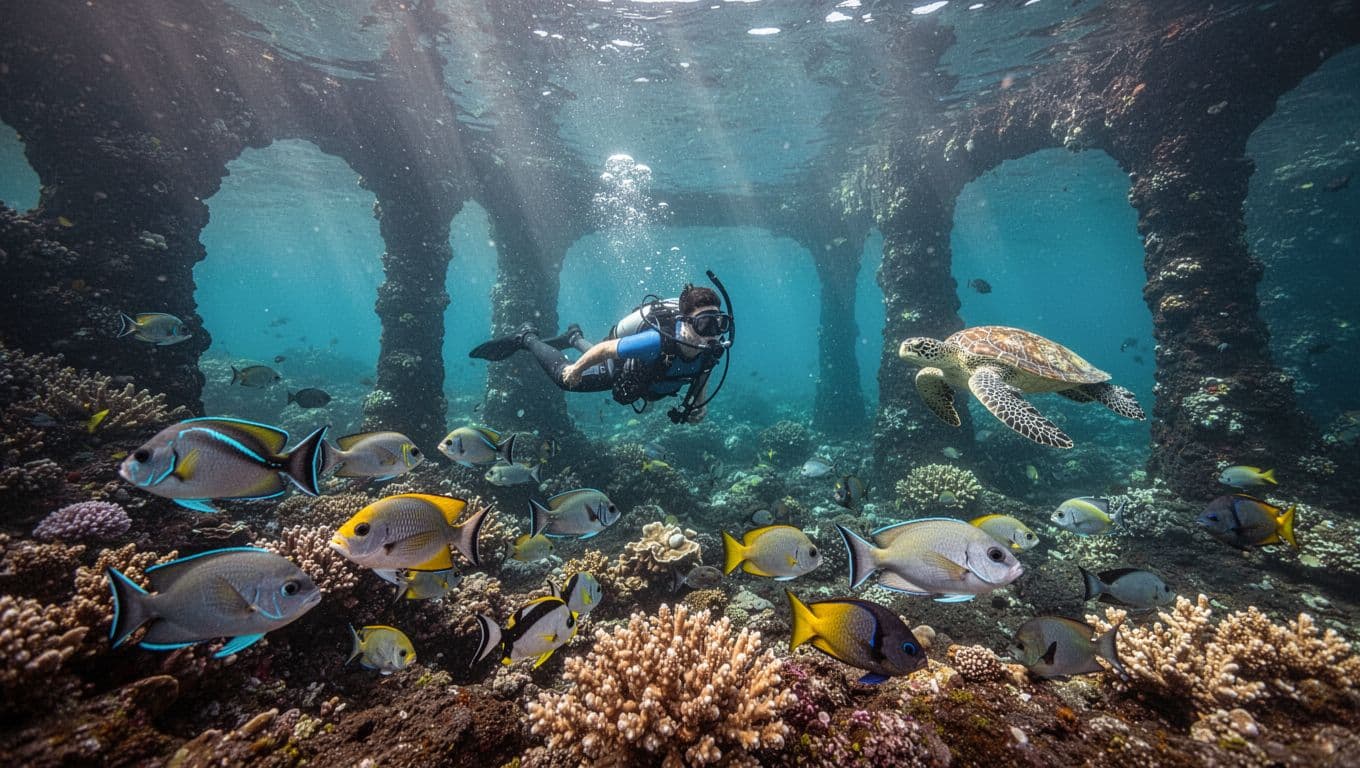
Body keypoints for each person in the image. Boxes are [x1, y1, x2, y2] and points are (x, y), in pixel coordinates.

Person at [470, 281, 734, 424]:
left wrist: (701, 402)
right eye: (704, 324)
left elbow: (703, 370)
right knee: (565, 379)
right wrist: (575, 370)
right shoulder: (655, 341)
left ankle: (573, 337)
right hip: (621, 368)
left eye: (719, 324)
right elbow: (606, 349)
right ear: (685, 323)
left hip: (647, 379)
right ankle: (526, 337)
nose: (712, 334)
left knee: (596, 360)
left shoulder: (712, 349)